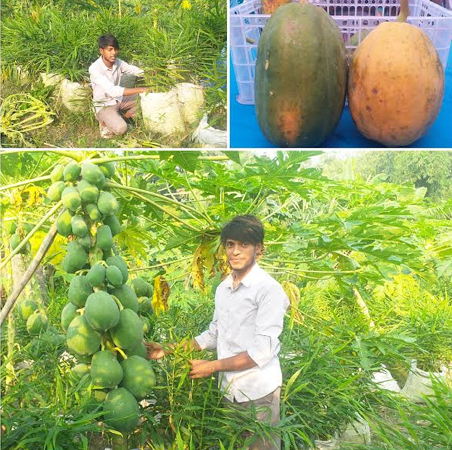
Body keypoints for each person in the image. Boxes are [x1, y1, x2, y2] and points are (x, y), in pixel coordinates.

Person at [146, 215, 289, 450]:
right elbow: (213, 334)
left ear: (259, 249)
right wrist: (167, 349)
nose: (235, 251)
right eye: (230, 245)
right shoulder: (223, 288)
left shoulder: (268, 290)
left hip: (258, 393)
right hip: (230, 391)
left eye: (244, 245)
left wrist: (211, 367)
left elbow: (261, 352)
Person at [89, 34, 151, 138]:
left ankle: (123, 117)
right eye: (110, 49)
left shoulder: (118, 62)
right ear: (101, 50)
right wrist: (141, 89)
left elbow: (134, 70)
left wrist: (150, 73)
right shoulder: (95, 69)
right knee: (121, 129)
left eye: (116, 49)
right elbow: (112, 90)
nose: (114, 53)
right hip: (105, 105)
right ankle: (103, 122)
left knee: (147, 99)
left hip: (118, 99)